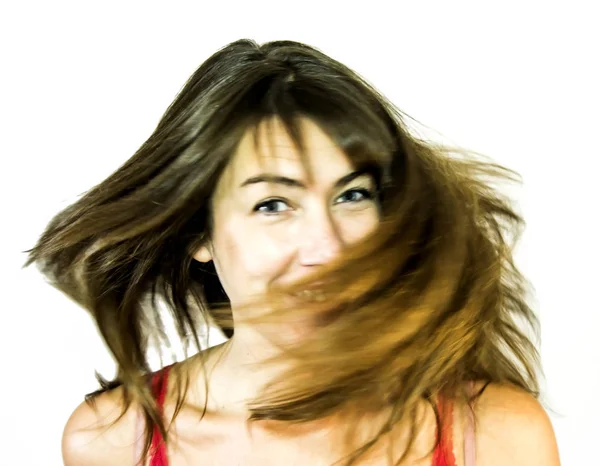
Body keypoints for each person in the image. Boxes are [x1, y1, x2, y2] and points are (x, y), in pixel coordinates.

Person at [24, 39, 560, 465]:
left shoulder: (492, 437)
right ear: (198, 234)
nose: (326, 247)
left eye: (352, 195)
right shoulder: (116, 442)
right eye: (273, 204)